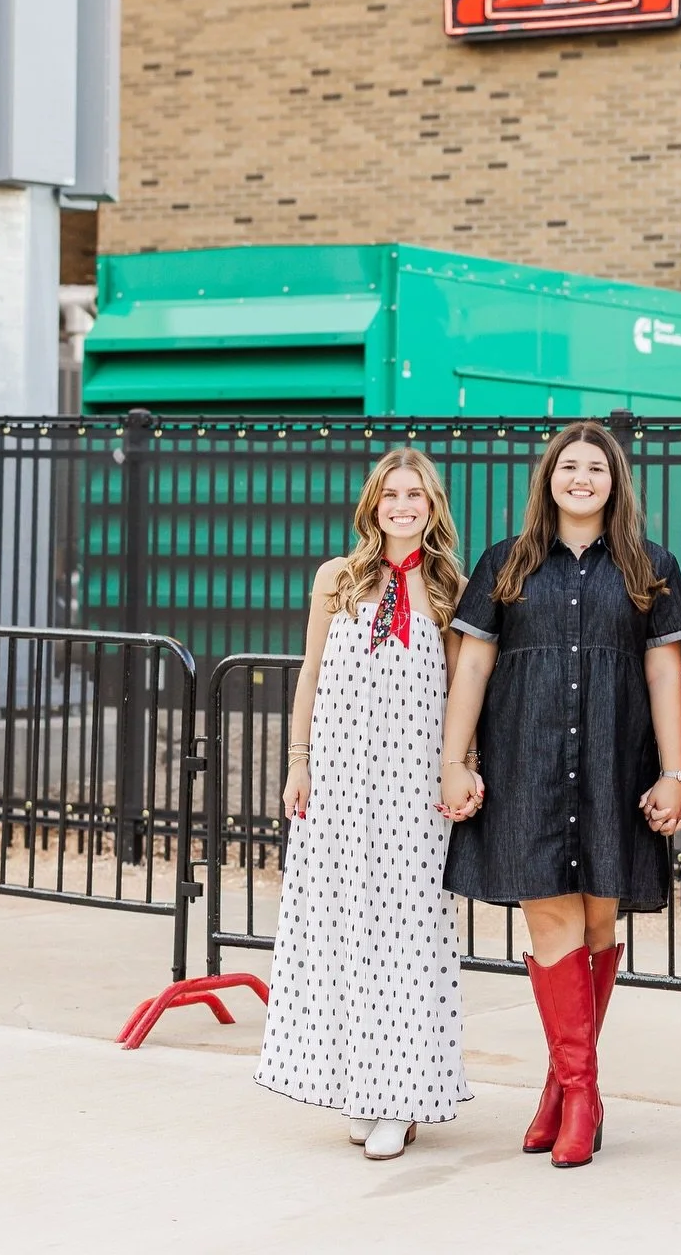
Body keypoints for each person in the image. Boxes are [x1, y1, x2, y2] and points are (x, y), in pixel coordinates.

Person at [439, 422, 681, 1169]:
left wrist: (676, 774)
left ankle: (560, 1085)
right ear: (548, 477)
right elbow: (474, 671)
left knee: (598, 922)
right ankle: (583, 1094)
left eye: (596, 468)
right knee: (553, 923)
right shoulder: (504, 563)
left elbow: (662, 678)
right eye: (569, 466)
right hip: (528, 765)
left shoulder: (653, 567)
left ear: (616, 482)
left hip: (617, 764)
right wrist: (455, 761)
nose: (582, 478)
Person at [255, 449, 470, 1161]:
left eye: (415, 494)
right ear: (372, 504)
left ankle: (400, 1097)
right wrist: (298, 764)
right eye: (390, 494)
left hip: (410, 791)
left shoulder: (451, 589)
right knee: (341, 931)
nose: (402, 505)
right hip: (341, 786)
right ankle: (359, 1082)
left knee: (404, 937)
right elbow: (311, 672)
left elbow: (460, 698)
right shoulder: (336, 580)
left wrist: (458, 769)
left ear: (432, 506)